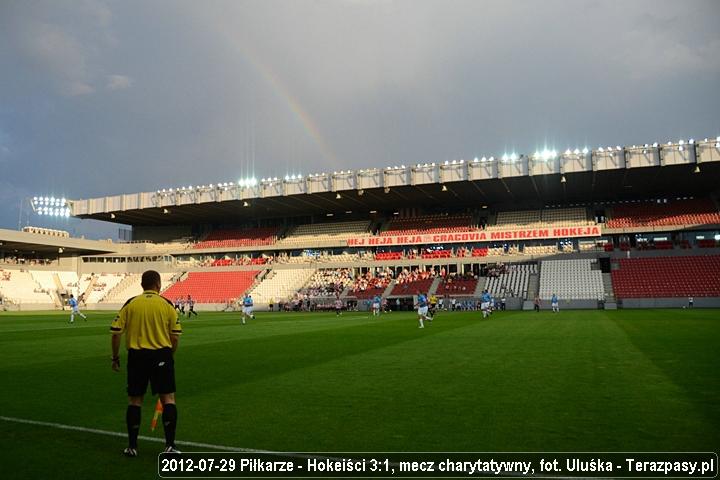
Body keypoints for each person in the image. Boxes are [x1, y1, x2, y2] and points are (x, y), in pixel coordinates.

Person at [110, 270, 182, 457]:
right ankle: (170, 446)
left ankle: (132, 447)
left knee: (135, 400)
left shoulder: (131, 303)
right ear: (158, 284)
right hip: (161, 355)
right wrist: (169, 355)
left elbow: (116, 333)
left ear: (142, 285)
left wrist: (115, 357)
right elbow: (175, 337)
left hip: (137, 357)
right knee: (168, 399)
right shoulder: (166, 304)